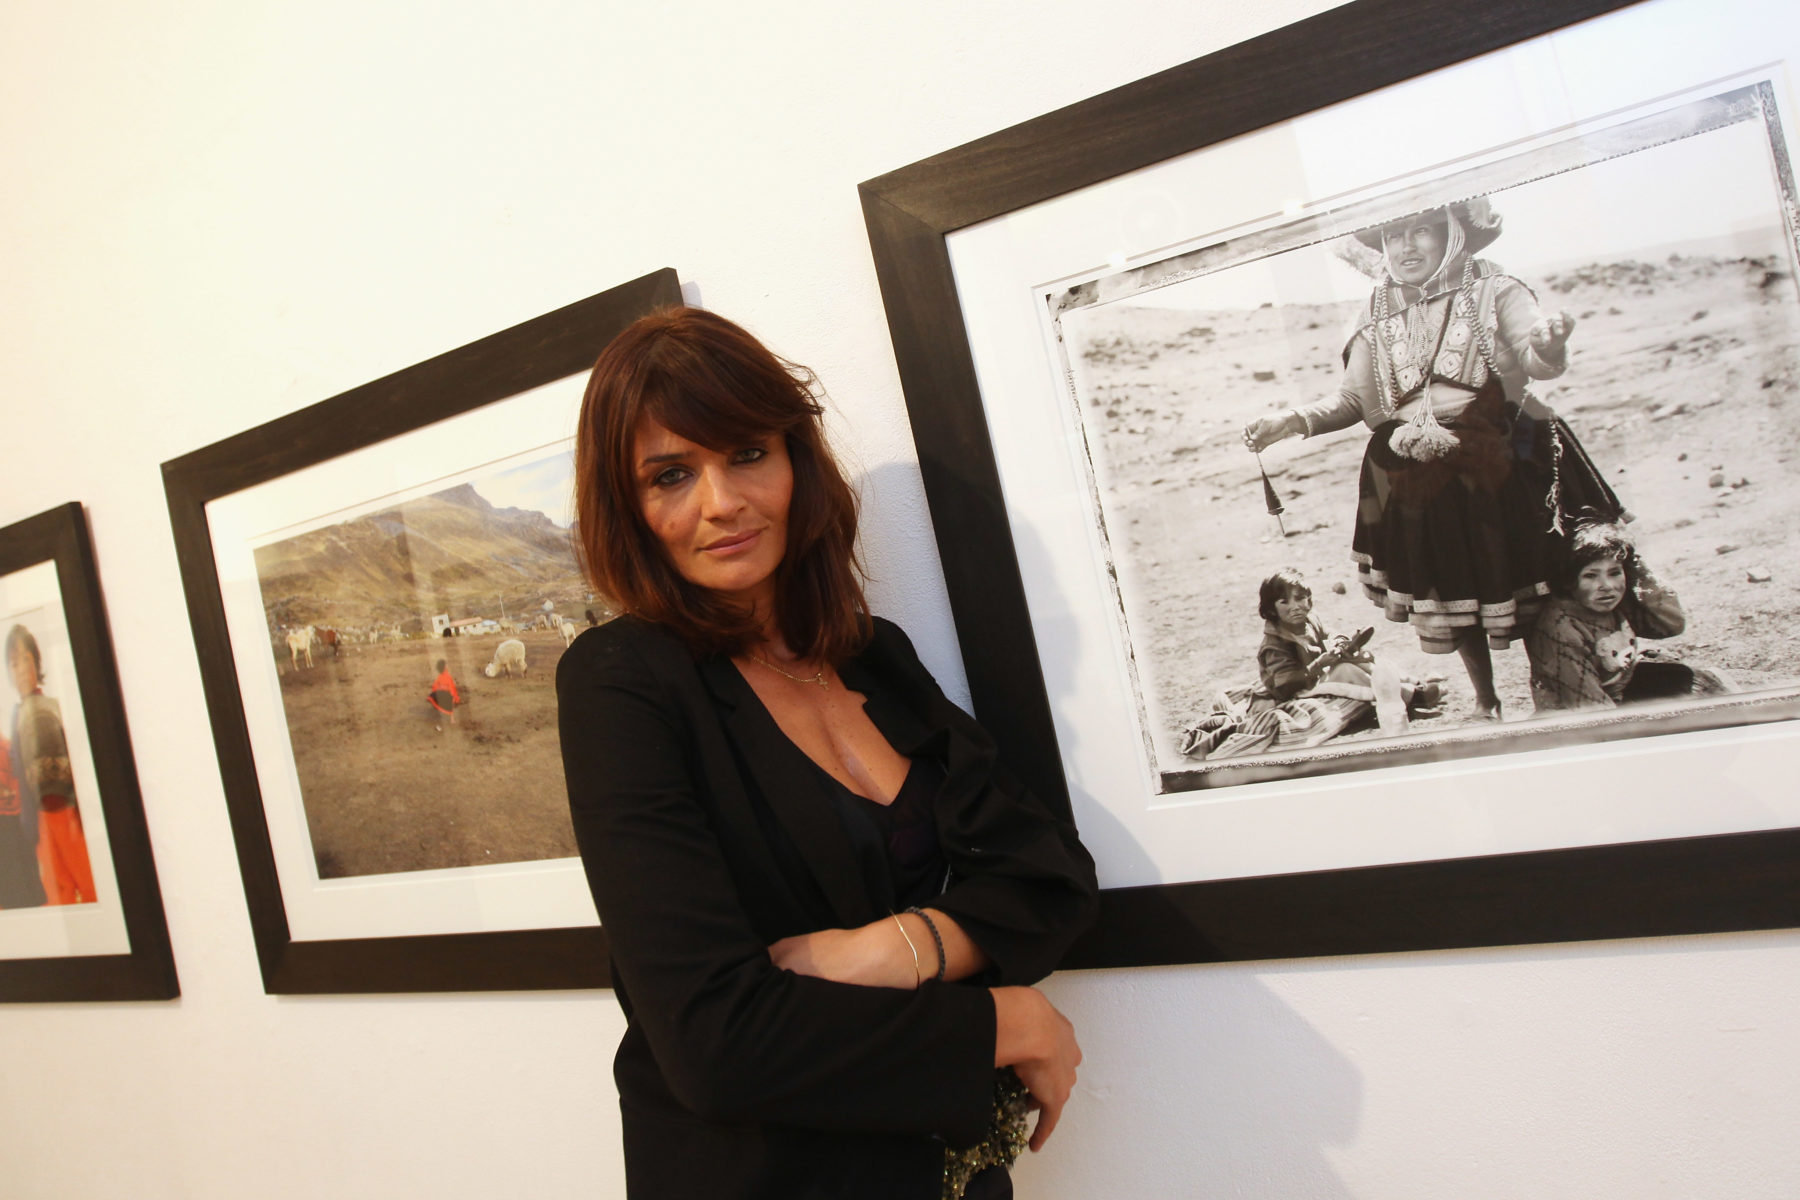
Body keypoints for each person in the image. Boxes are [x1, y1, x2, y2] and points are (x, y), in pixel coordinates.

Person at [557, 308, 1098, 1199]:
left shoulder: (872, 654)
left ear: (796, 460)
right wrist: (1006, 1019)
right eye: (670, 475)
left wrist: (887, 950)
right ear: (629, 507)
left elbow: (1052, 883)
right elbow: (716, 1045)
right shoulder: (621, 681)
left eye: (747, 453)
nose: (720, 502)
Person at [1244, 198, 1619, 720]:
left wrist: (1549, 346)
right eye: (1394, 235)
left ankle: (1553, 686)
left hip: (1501, 454)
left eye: (1421, 230)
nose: (1406, 246)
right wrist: (1292, 420)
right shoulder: (1375, 309)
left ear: (1452, 232)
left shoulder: (1497, 288)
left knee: (1534, 577)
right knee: (1451, 587)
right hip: (1416, 466)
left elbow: (1535, 359)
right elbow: (1352, 400)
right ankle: (1486, 701)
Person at [1524, 520, 1698, 712]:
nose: (1606, 586)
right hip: (1574, 712)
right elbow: (1589, 705)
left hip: (1618, 691)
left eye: (1614, 573)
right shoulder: (1561, 629)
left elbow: (1671, 624)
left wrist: (1635, 566)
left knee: (1688, 680)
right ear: (1568, 581)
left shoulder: (1611, 601)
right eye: (1590, 576)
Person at [1252, 568, 1436, 733]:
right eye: (1284, 602)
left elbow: (1330, 634)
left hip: (1318, 676)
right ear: (1272, 610)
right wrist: (1318, 665)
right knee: (1345, 670)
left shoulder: (1310, 621)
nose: (1295, 607)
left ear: (1308, 599)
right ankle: (1409, 696)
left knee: (1361, 658)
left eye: (1300, 598)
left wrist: (1339, 644)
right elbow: (1286, 685)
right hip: (1298, 691)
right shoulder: (1275, 645)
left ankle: (1410, 683)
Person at [6, 624, 95, 905]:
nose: (22, 669)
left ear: (36, 662)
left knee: (86, 883)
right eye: (14, 663)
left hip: (65, 811)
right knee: (58, 893)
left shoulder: (52, 707)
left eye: (26, 659)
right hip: (40, 818)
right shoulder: (16, 716)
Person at [426, 658, 460, 730]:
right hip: (446, 696)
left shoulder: (440, 677)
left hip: (440, 694)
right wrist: (454, 697)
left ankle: (438, 708)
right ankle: (452, 719)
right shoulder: (447, 676)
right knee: (450, 703)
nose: (447, 665)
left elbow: (435, 687)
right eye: (446, 665)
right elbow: (451, 688)